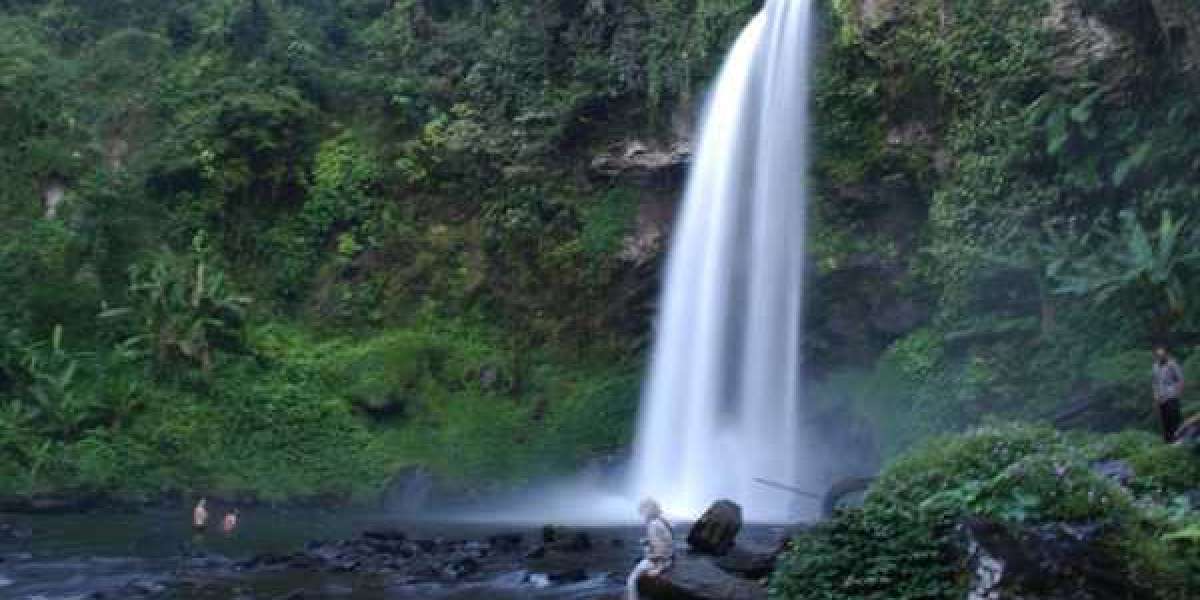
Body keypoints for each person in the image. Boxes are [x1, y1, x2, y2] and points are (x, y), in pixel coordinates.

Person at [626, 498, 674, 600]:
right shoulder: (662, 521)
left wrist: (658, 567)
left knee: (631, 580)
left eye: (643, 511)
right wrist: (648, 541)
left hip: (660, 560)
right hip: (669, 558)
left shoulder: (653, 525)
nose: (642, 515)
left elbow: (660, 548)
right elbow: (666, 541)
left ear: (648, 511)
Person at [1152, 344, 1185, 443]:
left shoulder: (1172, 364)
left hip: (1171, 397)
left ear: (1166, 354)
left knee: (1174, 420)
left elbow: (1181, 380)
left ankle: (1178, 441)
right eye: (1158, 355)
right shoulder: (1155, 366)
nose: (1160, 357)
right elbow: (1154, 382)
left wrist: (1177, 393)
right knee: (1165, 421)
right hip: (1161, 398)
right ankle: (1168, 442)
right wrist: (1155, 395)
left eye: (1162, 354)